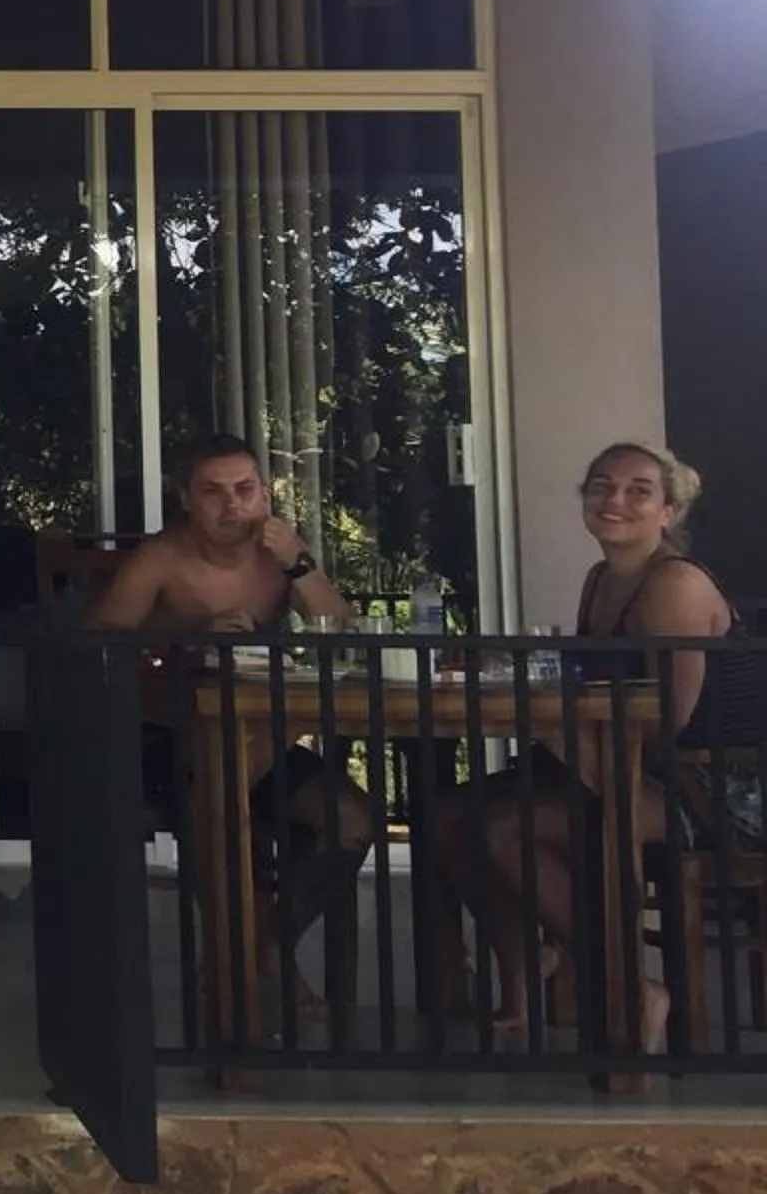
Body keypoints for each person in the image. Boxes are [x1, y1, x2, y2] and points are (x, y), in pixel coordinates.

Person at [434, 441, 759, 1054]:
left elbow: (671, 726)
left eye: (639, 490)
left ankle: (631, 988)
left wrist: (570, 739)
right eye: (601, 486)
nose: (615, 500)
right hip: (627, 766)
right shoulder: (601, 579)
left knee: (505, 829)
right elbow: (590, 677)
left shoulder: (675, 586)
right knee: (449, 815)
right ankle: (526, 974)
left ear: (669, 512)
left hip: (715, 785)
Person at [84, 432, 375, 1019]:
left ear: (265, 494)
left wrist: (298, 561)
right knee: (217, 806)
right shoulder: (161, 558)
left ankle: (266, 947)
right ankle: (234, 962)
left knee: (353, 820)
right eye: (213, 492)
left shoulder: (280, 555)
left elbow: (342, 633)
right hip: (170, 737)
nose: (231, 505)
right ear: (186, 498)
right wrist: (192, 641)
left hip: (261, 731)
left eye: (245, 490)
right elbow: (95, 644)